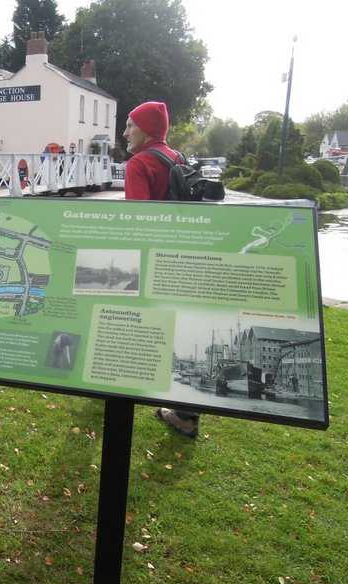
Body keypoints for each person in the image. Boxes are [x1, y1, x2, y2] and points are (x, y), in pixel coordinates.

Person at [123, 100, 199, 438]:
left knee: (131, 322)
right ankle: (187, 414)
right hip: (181, 257)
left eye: (130, 125)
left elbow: (138, 224)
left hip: (152, 260)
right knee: (179, 332)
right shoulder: (177, 157)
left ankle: (120, 383)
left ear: (148, 129)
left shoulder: (139, 164)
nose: (124, 131)